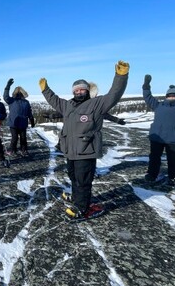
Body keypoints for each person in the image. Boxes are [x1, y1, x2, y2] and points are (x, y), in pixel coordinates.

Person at [39, 60, 129, 219]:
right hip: (71, 150)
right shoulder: (68, 105)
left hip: (86, 150)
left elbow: (114, 94)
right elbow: (54, 100)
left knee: (83, 181)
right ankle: (76, 197)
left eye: (82, 89)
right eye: (76, 90)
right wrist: (46, 90)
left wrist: (121, 76)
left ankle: (82, 209)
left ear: (87, 90)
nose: (79, 92)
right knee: (74, 177)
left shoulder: (97, 104)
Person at [3, 78, 35, 156]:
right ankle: (12, 150)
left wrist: (32, 120)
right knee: (15, 138)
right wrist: (7, 87)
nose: (19, 94)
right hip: (13, 123)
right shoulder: (12, 100)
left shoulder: (26, 102)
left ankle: (23, 150)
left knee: (23, 138)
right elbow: (5, 97)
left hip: (22, 123)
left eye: (20, 93)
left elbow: (29, 112)